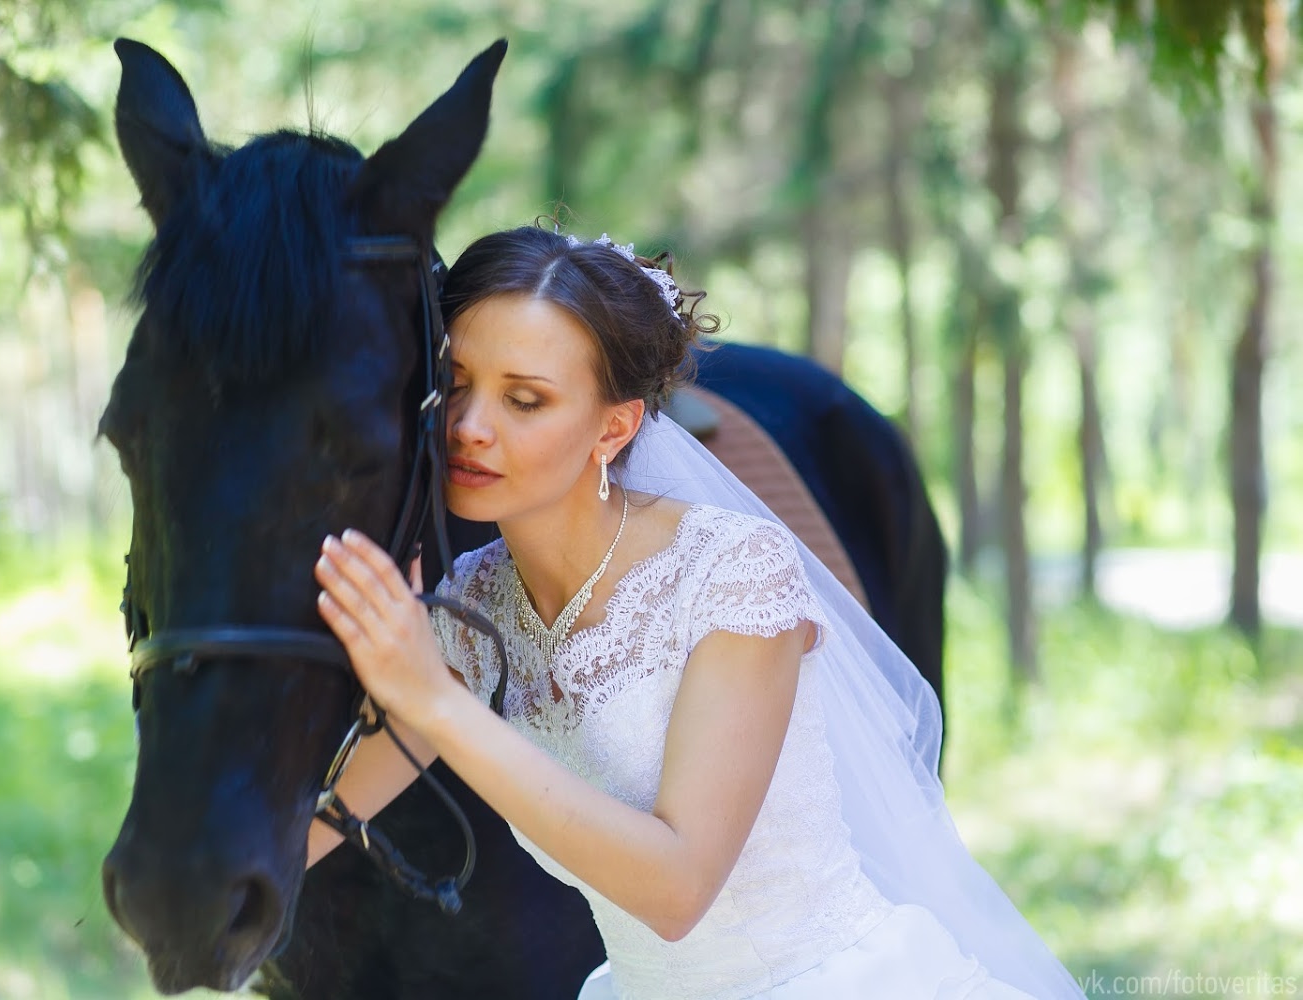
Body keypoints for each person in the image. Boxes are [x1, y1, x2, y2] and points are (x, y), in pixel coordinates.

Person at [310, 224, 1082, 999]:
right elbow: (319, 820)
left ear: (613, 429)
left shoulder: (733, 571)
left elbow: (678, 889)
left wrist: (436, 701)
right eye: (458, 382)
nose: (470, 426)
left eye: (524, 399)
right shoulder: (475, 603)